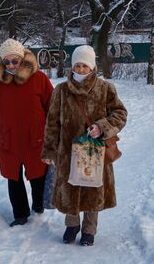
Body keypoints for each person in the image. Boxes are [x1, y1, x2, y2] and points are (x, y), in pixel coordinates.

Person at [41, 45, 127, 246]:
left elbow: (120, 114)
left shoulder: (105, 88)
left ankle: (89, 229)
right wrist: (49, 150)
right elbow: (52, 122)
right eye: (77, 65)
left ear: (92, 67)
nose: (80, 69)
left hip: (94, 150)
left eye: (84, 66)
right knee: (70, 186)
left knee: (92, 189)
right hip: (67, 151)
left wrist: (101, 126)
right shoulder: (61, 90)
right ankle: (71, 225)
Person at [0, 38, 54, 227]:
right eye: (6, 62)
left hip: (35, 137)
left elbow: (53, 105)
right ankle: (20, 214)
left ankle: (38, 207)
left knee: (38, 175)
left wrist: (56, 127)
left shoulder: (39, 79)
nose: (11, 65)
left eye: (15, 61)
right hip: (9, 138)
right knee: (13, 177)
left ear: (22, 59)